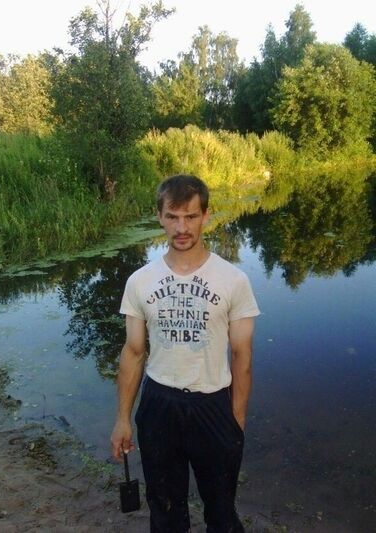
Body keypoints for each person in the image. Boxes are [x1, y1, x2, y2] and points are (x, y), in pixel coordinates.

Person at [111, 174, 260, 532]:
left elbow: (242, 357)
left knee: (222, 512)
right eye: (173, 216)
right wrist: (122, 418)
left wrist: (236, 421)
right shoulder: (140, 281)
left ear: (206, 216)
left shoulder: (233, 280)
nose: (182, 228)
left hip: (213, 403)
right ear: (160, 217)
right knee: (164, 511)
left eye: (191, 216)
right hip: (159, 404)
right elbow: (133, 352)